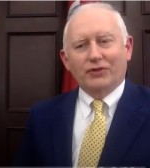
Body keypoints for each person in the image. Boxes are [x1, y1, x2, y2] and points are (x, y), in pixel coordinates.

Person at [15, 2, 150, 167]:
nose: (94, 55)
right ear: (66, 60)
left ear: (127, 48)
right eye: (80, 45)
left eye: (104, 41)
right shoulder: (41, 116)